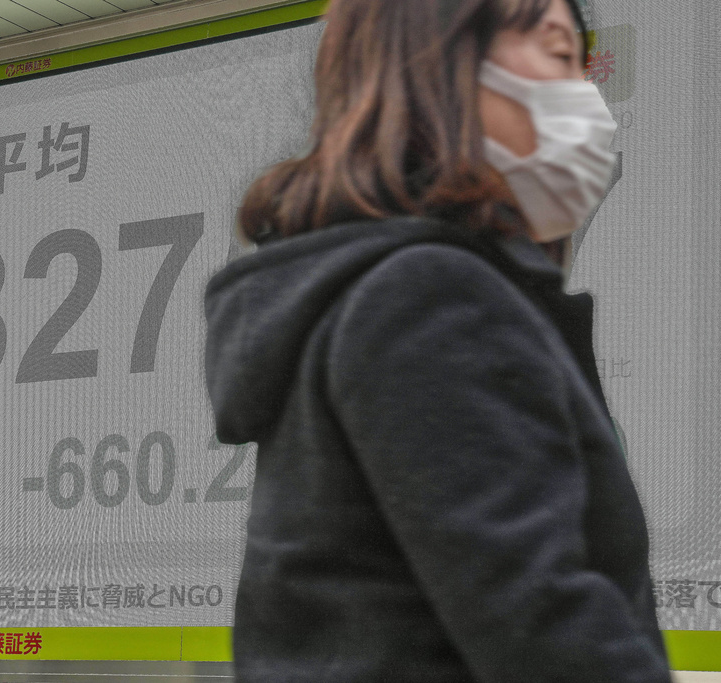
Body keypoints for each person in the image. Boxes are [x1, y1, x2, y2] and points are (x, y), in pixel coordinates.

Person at [203, 0, 672, 680]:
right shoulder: (431, 296)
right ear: (445, 65)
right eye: (557, 55)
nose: (589, 101)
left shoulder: (377, 287)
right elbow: (541, 621)